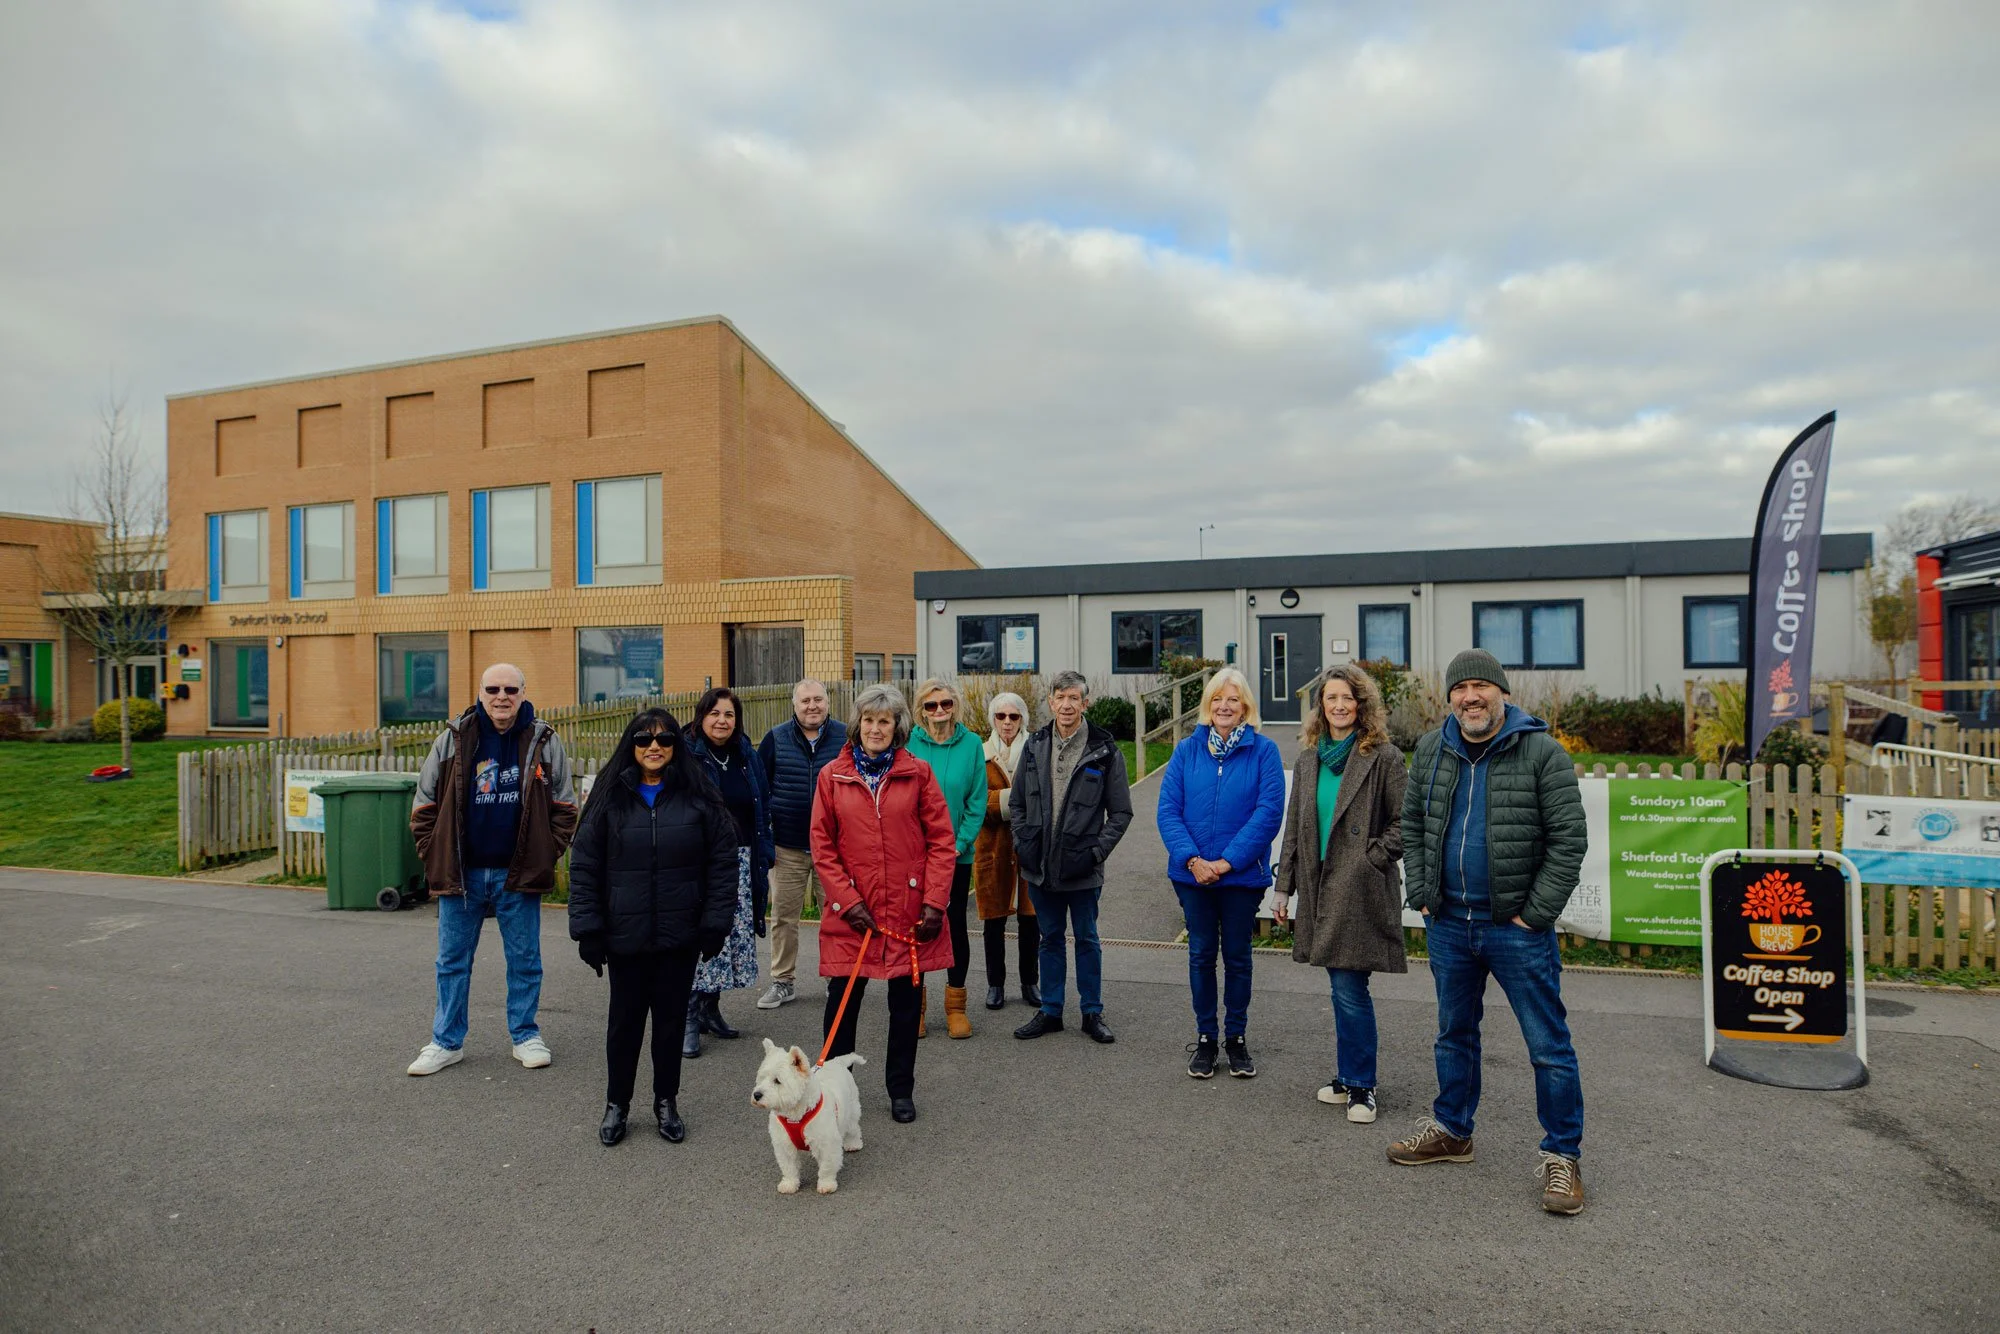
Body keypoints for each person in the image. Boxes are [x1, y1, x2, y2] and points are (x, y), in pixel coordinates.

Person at [1389, 648, 1589, 1216]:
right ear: (1448, 697)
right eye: (1460, 689)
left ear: (1502, 692)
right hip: (1450, 925)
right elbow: (1412, 823)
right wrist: (1423, 896)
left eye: (1481, 686)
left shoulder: (1543, 753)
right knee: (1454, 1034)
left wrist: (1535, 914)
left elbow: (1568, 842)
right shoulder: (1432, 747)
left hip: (1516, 931)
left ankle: (1562, 1157)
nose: (1470, 697)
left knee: (1548, 1047)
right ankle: (1453, 1130)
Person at [566, 710, 739, 1146]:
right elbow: (584, 866)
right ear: (632, 745)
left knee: (669, 1024)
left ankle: (666, 1101)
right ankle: (617, 1104)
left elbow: (722, 864)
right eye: (644, 740)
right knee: (623, 1025)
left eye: (663, 740)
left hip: (679, 936)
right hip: (625, 937)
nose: (654, 747)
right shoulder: (610, 797)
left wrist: (715, 923)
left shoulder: (699, 796)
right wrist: (588, 929)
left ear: (676, 747)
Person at [406, 663, 578, 1077]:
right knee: (451, 961)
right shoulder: (454, 738)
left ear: (523, 692)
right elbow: (424, 804)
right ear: (480, 692)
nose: (502, 696)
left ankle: (525, 1035)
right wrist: (434, 853)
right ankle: (446, 1042)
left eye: (510, 689)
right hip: (462, 874)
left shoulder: (544, 741)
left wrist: (544, 852)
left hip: (516, 874)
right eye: (493, 689)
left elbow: (566, 807)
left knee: (524, 959)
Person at [810, 682, 957, 1122]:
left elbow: (941, 840)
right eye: (869, 720)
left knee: (906, 1004)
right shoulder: (832, 777)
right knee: (842, 1002)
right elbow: (822, 845)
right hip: (853, 915)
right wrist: (848, 901)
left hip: (908, 913)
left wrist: (935, 902)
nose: (876, 729)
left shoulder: (919, 773)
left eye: (885, 721)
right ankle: (836, 1094)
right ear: (858, 724)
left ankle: (901, 1090)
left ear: (898, 726)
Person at [1272, 664, 1408, 1124]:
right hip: (1318, 886)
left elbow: (1405, 823)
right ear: (1321, 706)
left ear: (1361, 704)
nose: (1339, 705)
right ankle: (1350, 1076)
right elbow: (1295, 827)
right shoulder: (1309, 759)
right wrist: (1282, 889)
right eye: (1331, 698)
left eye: (1348, 697)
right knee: (1341, 986)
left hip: (1360, 887)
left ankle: (1362, 1085)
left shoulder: (1382, 756)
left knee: (1349, 987)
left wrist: (1370, 858)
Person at [1156, 666, 1286, 1079]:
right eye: (1217, 699)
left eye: (1233, 699)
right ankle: (1207, 1039)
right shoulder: (1186, 751)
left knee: (1238, 958)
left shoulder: (1264, 752)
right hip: (1191, 876)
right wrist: (1194, 861)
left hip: (1241, 878)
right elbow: (1167, 812)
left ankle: (1237, 1039)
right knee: (1200, 955)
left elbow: (1268, 815)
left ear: (1245, 706)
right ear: (1207, 706)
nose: (1224, 706)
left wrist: (1226, 863)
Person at [1009, 670, 1133, 1045]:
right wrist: (1023, 844)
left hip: (1082, 868)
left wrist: (1095, 852)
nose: (1066, 704)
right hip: (1040, 867)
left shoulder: (1105, 748)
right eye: (1060, 697)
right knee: (1048, 939)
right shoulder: (1034, 744)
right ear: (1050, 702)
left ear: (1085, 703)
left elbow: (1122, 813)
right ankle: (1050, 1010)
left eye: (1074, 698)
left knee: (1086, 939)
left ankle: (1091, 1012)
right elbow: (1017, 803)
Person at [682, 687, 775, 1059]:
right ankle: (688, 1014)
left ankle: (710, 1009)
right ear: (701, 716)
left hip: (741, 859)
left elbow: (762, 804)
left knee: (729, 938)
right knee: (702, 934)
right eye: (714, 713)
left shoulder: (745, 755)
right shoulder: (686, 755)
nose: (722, 721)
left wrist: (765, 851)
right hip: (702, 861)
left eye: (729, 715)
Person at [756, 678, 848, 1011]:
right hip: (788, 845)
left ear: (828, 702)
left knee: (836, 915)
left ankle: (835, 981)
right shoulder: (776, 738)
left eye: (818, 700)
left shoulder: (845, 737)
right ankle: (783, 982)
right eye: (805, 700)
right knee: (783, 917)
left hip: (834, 848)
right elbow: (759, 788)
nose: (812, 706)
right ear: (794, 705)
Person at [906, 677, 988, 1039]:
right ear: (921, 709)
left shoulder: (971, 745)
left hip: (957, 853)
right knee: (918, 925)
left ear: (955, 705)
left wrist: (960, 842)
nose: (939, 711)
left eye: (945, 704)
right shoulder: (909, 744)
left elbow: (976, 800)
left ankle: (956, 1006)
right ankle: (916, 1007)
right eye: (931, 705)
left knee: (954, 924)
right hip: (915, 856)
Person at [973, 690, 1037, 1010]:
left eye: (1014, 716)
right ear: (992, 720)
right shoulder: (980, 755)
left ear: (1023, 719)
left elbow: (1045, 798)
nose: (1008, 722)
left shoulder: (1037, 751)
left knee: (1031, 920)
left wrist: (1003, 802)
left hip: (1030, 849)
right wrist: (1019, 803)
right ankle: (995, 985)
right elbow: (977, 803)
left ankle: (1030, 983)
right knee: (993, 922)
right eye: (1001, 716)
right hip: (993, 849)